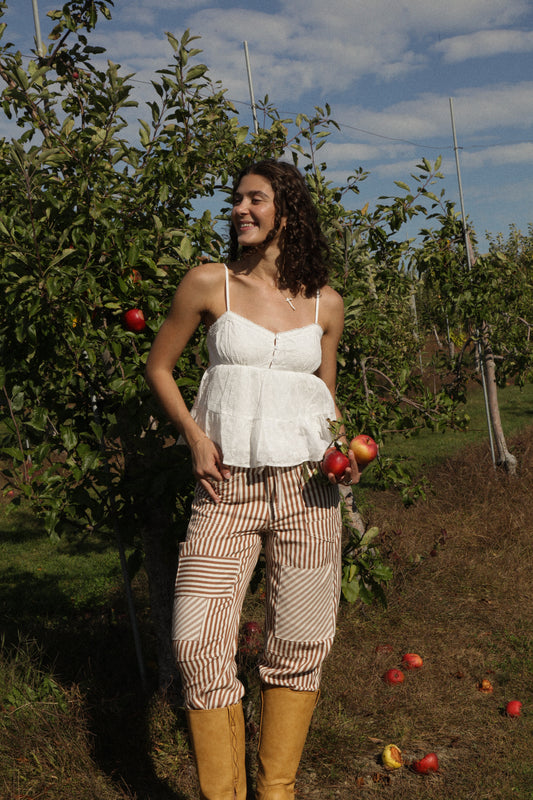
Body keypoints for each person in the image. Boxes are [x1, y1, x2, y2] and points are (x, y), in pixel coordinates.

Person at [145, 159, 360, 800]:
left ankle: (276, 791)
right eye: (236, 199)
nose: (240, 208)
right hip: (226, 486)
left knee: (300, 640)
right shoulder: (210, 283)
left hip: (308, 490)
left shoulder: (325, 303)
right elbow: (159, 367)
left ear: (286, 213)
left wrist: (346, 450)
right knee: (197, 643)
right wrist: (194, 435)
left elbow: (325, 396)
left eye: (256, 199)